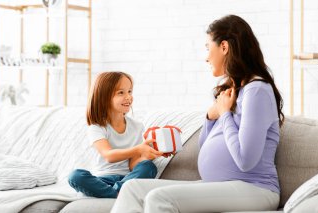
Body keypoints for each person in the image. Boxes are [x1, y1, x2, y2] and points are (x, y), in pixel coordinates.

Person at [111, 14, 285, 212]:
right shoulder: (232, 91)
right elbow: (205, 147)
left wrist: (225, 113)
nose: (206, 57)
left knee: (159, 199)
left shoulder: (257, 90)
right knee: (132, 188)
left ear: (224, 47)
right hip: (220, 186)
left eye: (207, 48)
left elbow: (245, 161)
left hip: (255, 189)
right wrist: (210, 118)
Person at [68, 71, 163, 198]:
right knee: (75, 176)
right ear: (104, 97)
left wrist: (146, 155)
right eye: (121, 92)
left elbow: (132, 165)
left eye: (129, 91)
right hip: (103, 180)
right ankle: (119, 193)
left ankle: (115, 193)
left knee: (148, 166)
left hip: (127, 179)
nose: (128, 97)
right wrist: (138, 149)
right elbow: (109, 156)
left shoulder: (137, 126)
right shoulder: (97, 127)